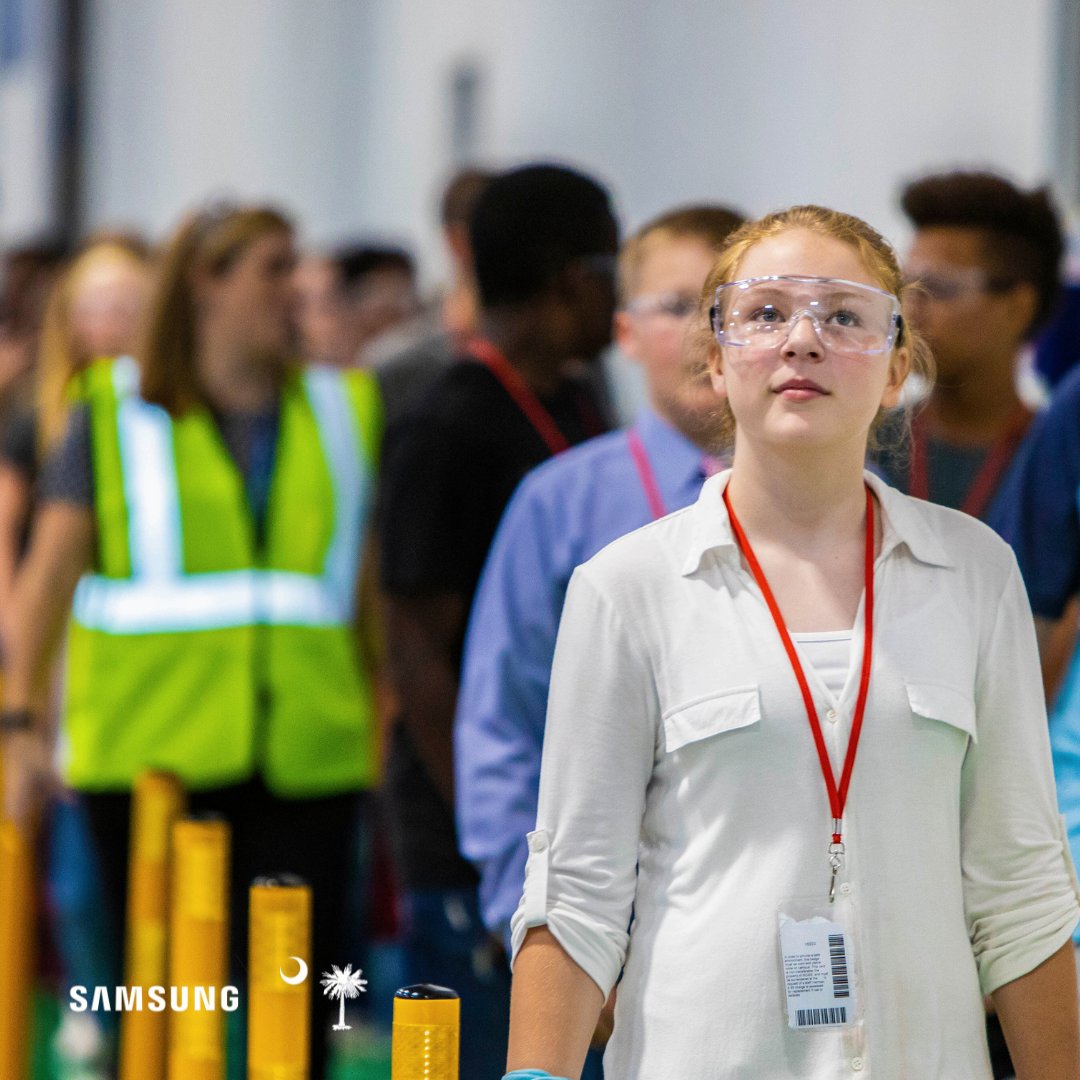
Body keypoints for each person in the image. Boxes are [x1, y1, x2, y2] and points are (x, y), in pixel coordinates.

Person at [505, 205, 1080, 1080]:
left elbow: (1021, 891)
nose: (802, 339)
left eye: (844, 315)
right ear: (715, 358)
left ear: (896, 370)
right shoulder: (628, 588)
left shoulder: (974, 573)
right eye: (765, 312)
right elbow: (575, 892)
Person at [0, 203, 383, 1079]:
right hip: (150, 762)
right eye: (274, 268)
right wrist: (21, 727)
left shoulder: (344, 408)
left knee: (306, 1014)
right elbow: (46, 581)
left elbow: (363, 593)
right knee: (166, 1017)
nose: (298, 289)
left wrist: (378, 717)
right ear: (205, 284)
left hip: (308, 756)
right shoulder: (112, 410)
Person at [378, 162, 618, 1078]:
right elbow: (417, 655)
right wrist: (498, 838)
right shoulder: (448, 425)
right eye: (614, 267)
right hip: (472, 841)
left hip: (564, 821)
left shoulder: (580, 402)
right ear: (570, 279)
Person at [456, 202, 744, 945]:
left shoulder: (834, 499)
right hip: (599, 918)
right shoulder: (561, 502)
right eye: (677, 305)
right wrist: (534, 920)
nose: (704, 331)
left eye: (732, 304)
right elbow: (501, 722)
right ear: (623, 333)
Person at [875, 171, 1063, 522]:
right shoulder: (868, 446)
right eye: (906, 286)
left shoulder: (1057, 461)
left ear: (1017, 307)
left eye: (938, 287)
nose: (911, 309)